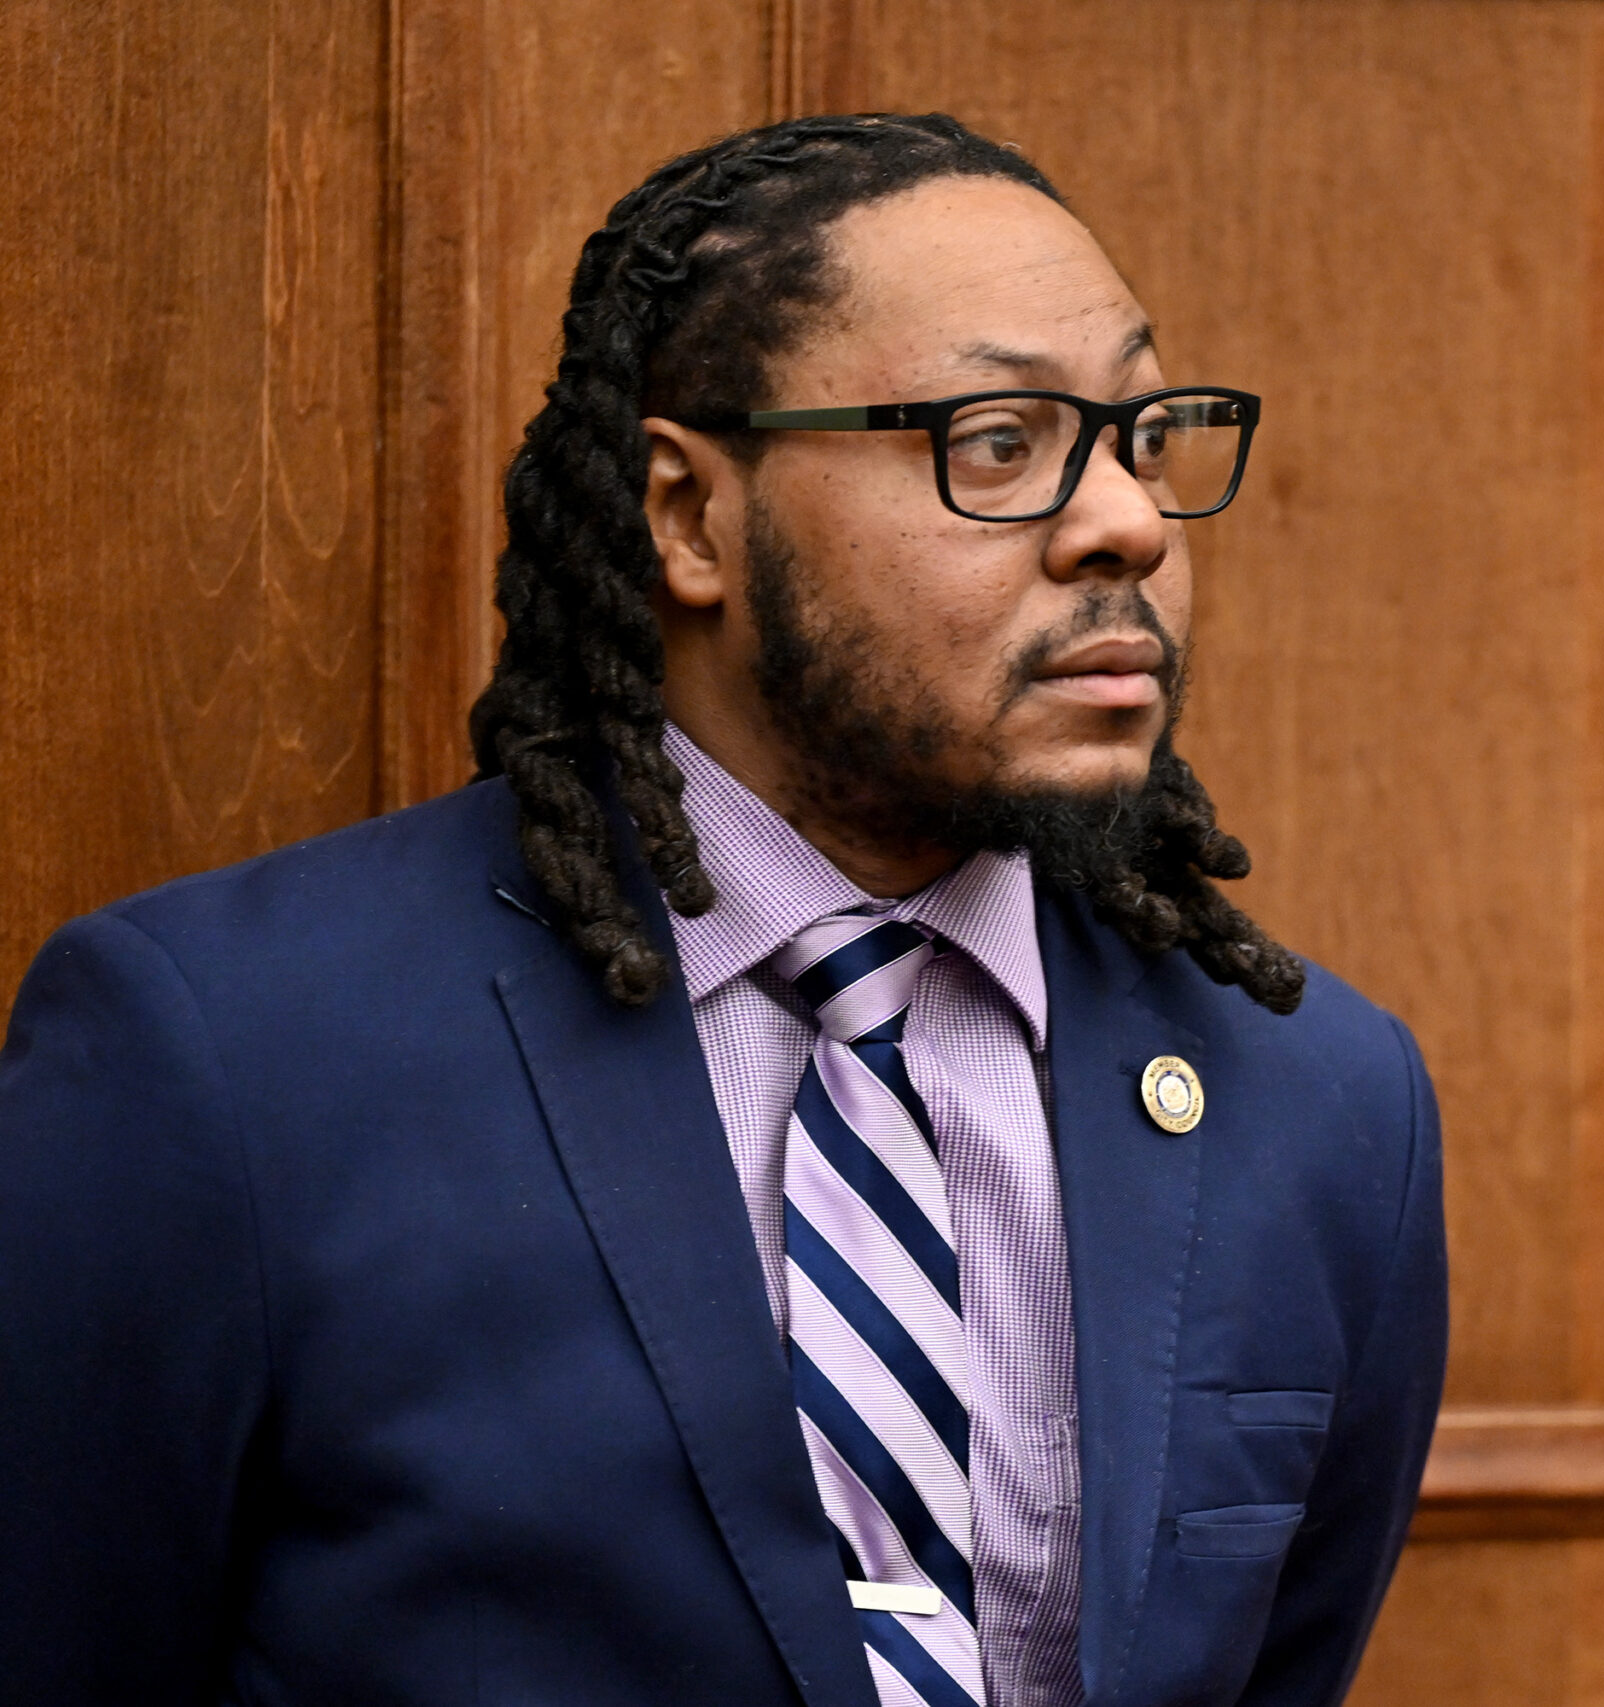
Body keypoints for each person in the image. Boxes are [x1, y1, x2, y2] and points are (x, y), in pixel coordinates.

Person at [0, 114, 1446, 1707]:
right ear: (689, 517)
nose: (1129, 525)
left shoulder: (1319, 1103)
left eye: (1143, 437)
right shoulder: (230, 1062)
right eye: (999, 442)